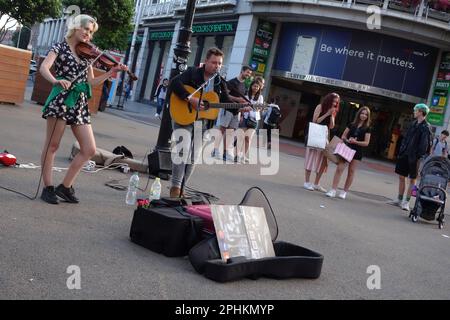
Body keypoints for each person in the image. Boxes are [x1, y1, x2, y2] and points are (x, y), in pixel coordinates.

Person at [39, 14, 129, 204]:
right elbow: (44, 68)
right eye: (86, 29)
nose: (89, 35)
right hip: (62, 99)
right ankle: (47, 188)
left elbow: (90, 82)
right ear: (76, 27)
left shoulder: (87, 54)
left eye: (91, 32)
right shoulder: (60, 47)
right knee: (52, 145)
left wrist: (110, 73)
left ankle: (64, 187)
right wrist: (56, 80)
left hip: (79, 102)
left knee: (89, 149)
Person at [168, 47, 250, 198]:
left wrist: (241, 107)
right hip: (184, 115)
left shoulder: (219, 80)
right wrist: (189, 98)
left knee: (194, 156)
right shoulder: (193, 72)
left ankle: (182, 188)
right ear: (206, 61)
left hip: (203, 123)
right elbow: (174, 83)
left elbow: (225, 100)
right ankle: (175, 187)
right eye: (214, 62)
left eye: (219, 63)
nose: (217, 66)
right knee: (182, 151)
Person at [388, 103, 432, 211]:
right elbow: (406, 138)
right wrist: (402, 150)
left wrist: (418, 156)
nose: (414, 112)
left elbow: (424, 145)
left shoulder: (426, 127)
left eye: (415, 110)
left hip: (414, 157)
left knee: (412, 180)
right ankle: (399, 200)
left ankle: (406, 202)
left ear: (421, 112)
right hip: (405, 154)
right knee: (401, 177)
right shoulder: (413, 123)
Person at [326, 107, 372, 199]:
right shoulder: (352, 124)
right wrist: (348, 140)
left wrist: (356, 142)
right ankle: (333, 190)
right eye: (362, 113)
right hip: (346, 148)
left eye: (366, 114)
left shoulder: (367, 128)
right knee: (340, 169)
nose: (363, 115)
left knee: (351, 172)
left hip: (357, 151)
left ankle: (344, 191)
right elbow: (343, 136)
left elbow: (366, 143)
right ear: (359, 114)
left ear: (368, 116)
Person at [212, 65, 253, 160]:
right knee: (222, 130)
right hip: (228, 109)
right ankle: (215, 150)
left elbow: (242, 100)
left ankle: (225, 153)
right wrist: (238, 99)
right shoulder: (232, 82)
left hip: (237, 112)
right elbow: (226, 96)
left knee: (230, 133)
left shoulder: (244, 86)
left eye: (250, 74)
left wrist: (242, 112)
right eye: (247, 72)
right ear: (242, 71)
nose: (248, 75)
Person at [303, 92, 340, 192]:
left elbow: (332, 126)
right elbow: (315, 120)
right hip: (315, 135)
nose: (335, 103)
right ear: (329, 99)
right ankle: (306, 182)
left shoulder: (334, 111)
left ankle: (316, 183)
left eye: (336, 102)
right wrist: (327, 113)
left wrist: (332, 115)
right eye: (333, 101)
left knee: (324, 161)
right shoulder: (320, 106)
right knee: (311, 158)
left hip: (325, 136)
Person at [238, 80, 264, 162]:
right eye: (254, 86)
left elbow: (260, 108)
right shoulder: (246, 95)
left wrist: (251, 108)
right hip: (245, 118)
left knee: (248, 139)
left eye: (257, 86)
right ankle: (238, 154)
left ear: (259, 88)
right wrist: (241, 115)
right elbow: (242, 106)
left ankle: (244, 156)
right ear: (251, 86)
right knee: (241, 137)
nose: (255, 88)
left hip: (254, 120)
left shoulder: (260, 97)